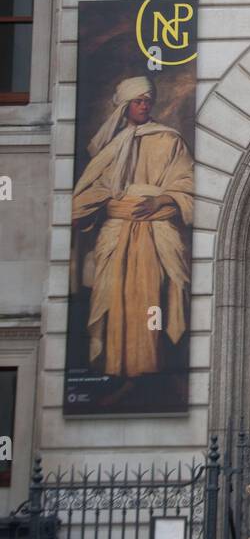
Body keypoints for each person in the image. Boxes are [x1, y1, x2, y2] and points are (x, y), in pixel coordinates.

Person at [70, 76, 193, 378]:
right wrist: (102, 203)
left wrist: (160, 200)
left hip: (154, 232)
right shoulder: (111, 147)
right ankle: (114, 367)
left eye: (147, 101)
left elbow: (187, 183)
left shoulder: (169, 140)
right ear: (125, 106)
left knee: (150, 300)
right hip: (116, 232)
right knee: (113, 299)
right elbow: (93, 189)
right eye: (138, 101)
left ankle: (148, 369)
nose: (143, 106)